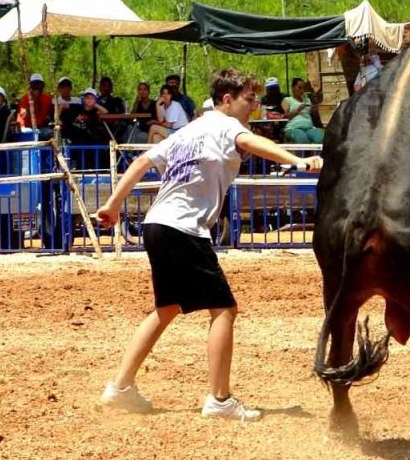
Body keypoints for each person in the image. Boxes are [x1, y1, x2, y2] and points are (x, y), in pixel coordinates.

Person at [95, 68, 323, 420]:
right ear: (227, 100)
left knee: (167, 308)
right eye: (249, 99)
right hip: (183, 228)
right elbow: (250, 142)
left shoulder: (189, 130)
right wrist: (298, 161)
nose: (255, 106)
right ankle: (219, 399)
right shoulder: (226, 125)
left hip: (157, 224)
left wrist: (112, 205)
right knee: (224, 310)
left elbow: (141, 161)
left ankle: (120, 387)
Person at [282, 79, 324, 144]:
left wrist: (314, 110)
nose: (302, 90)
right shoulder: (287, 100)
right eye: (299, 88)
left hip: (309, 127)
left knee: (320, 138)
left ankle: (314, 150)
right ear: (292, 87)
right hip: (293, 128)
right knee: (302, 138)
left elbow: (310, 114)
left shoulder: (307, 100)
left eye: (303, 88)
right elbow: (284, 116)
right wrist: (298, 110)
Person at [17, 73, 54, 140]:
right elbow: (24, 116)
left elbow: (52, 112)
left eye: (39, 85)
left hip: (41, 128)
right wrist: (32, 101)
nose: (37, 88)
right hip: (27, 128)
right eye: (34, 85)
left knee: (51, 133)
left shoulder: (47, 98)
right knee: (30, 134)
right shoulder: (25, 99)